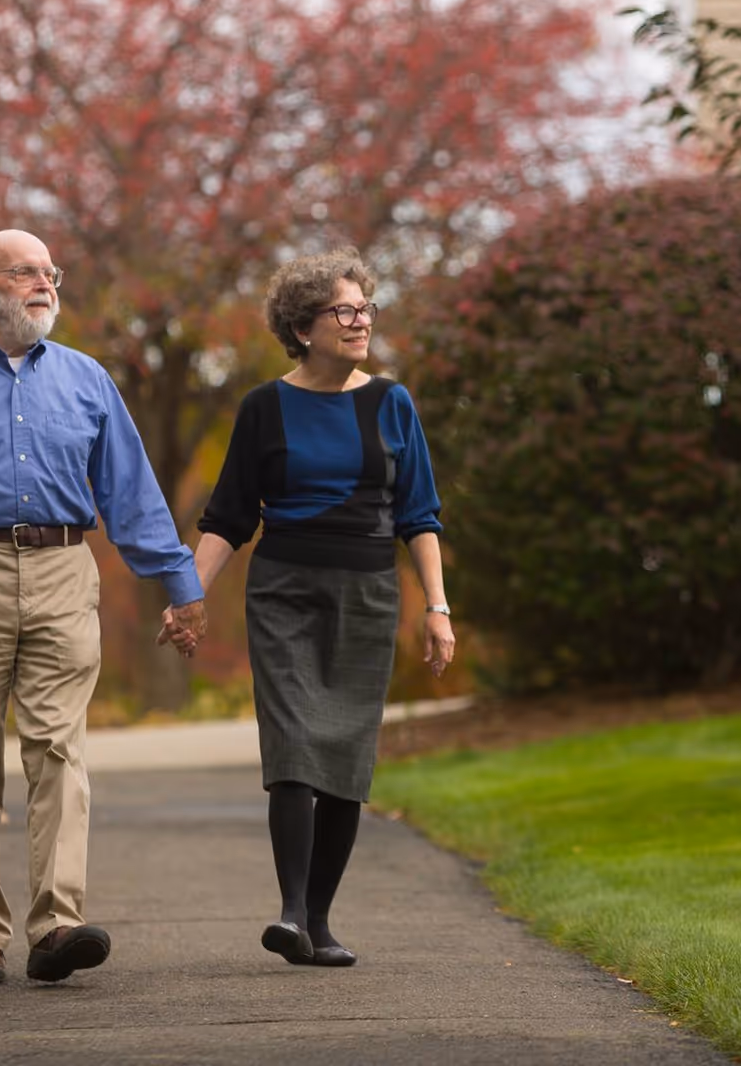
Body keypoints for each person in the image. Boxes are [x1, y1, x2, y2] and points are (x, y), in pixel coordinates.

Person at [0, 228, 207, 989]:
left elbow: (131, 494)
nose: (44, 282)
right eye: (24, 272)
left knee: (59, 748)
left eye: (50, 272)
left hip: (62, 569)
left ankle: (56, 924)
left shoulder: (88, 381)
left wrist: (181, 586)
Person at [163, 246, 455, 968]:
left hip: (366, 593)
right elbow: (229, 517)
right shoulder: (265, 407)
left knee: (346, 756)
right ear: (301, 326)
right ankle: (290, 913)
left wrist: (438, 607)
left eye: (364, 309)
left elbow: (419, 514)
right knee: (293, 746)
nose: (360, 322)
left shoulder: (391, 401)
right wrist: (187, 594)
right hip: (285, 589)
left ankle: (320, 923)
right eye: (342, 311)